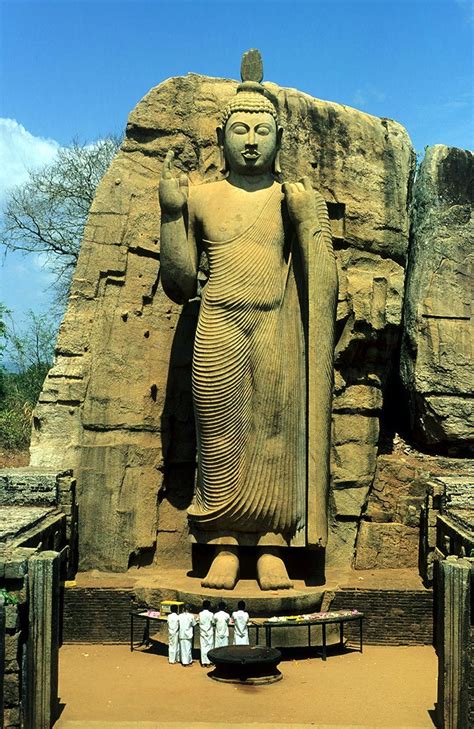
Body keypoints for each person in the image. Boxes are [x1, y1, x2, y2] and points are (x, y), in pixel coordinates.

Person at [159, 49, 337, 591]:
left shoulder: (290, 198)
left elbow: (322, 278)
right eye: (241, 128)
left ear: (280, 138)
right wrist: (171, 214)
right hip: (217, 323)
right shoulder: (203, 198)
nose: (252, 140)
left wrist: (308, 222)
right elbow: (181, 283)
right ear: (221, 135)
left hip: (274, 329)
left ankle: (272, 548)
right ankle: (224, 546)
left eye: (263, 129)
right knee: (219, 438)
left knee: (274, 438)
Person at [198, 600, 215, 666]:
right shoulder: (211, 614)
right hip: (209, 632)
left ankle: (203, 662)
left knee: (203, 647)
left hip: (202, 632)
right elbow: (213, 622)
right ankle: (208, 662)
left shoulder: (200, 614)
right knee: (209, 646)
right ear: (209, 606)